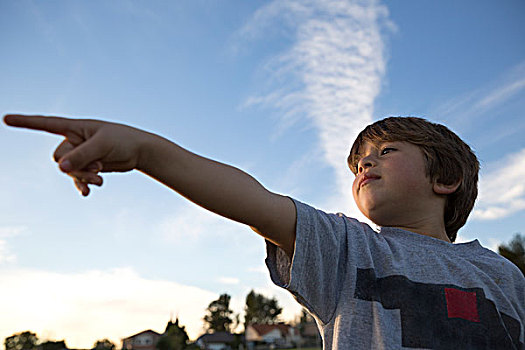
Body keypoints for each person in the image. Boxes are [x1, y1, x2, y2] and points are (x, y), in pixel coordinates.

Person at [4, 114, 524, 349]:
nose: (365, 164)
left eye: (386, 152)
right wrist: (146, 151)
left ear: (447, 179)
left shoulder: (502, 273)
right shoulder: (347, 247)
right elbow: (251, 199)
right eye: (357, 162)